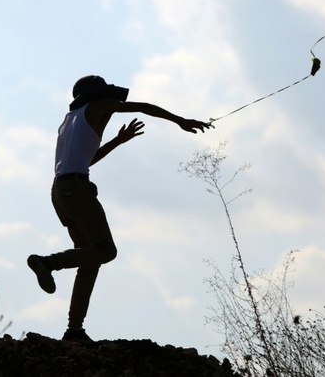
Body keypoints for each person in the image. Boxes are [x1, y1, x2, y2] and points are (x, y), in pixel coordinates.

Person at [27, 75, 211, 341]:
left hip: (60, 192)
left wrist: (118, 140)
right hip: (77, 190)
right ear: (98, 94)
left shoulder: (69, 120)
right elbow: (143, 107)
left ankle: (74, 330)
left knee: (90, 259)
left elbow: (88, 158)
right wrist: (180, 121)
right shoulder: (98, 106)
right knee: (106, 250)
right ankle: (48, 262)